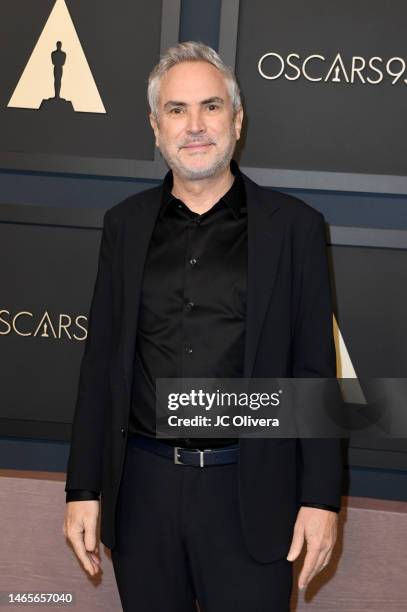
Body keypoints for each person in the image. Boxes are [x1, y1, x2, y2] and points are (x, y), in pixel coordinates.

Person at [63, 41, 343, 611]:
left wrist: (321, 500)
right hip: (142, 490)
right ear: (155, 126)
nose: (195, 126)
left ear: (237, 121)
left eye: (211, 107)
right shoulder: (125, 225)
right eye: (176, 110)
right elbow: (100, 365)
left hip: (251, 491)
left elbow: (315, 370)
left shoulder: (294, 228)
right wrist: (82, 488)